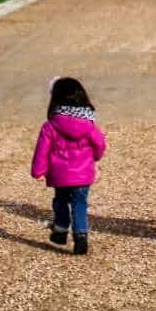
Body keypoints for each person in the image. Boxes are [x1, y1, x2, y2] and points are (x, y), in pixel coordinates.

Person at [31, 77, 107, 256]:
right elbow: (100, 144)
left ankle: (61, 230)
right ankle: (81, 236)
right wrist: (95, 157)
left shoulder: (50, 126)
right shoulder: (88, 124)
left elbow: (42, 150)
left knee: (60, 201)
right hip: (83, 175)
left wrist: (38, 171)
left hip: (60, 175)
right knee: (80, 204)